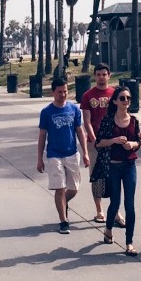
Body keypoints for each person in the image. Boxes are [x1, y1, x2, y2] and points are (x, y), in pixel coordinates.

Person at [37, 79, 89, 234]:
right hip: (54, 154)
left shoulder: (74, 109)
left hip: (72, 153)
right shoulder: (46, 112)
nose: (62, 94)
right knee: (60, 188)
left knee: (73, 189)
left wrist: (85, 153)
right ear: (53, 92)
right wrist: (39, 158)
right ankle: (63, 221)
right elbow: (42, 135)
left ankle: (63, 202)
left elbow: (80, 131)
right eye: (59, 92)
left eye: (65, 91)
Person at [96, 85, 141, 256]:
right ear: (115, 101)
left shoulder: (134, 121)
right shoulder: (108, 120)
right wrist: (114, 140)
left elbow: (138, 141)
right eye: (122, 98)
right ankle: (108, 229)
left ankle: (129, 242)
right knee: (115, 202)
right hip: (113, 166)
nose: (126, 101)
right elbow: (99, 143)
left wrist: (133, 144)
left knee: (130, 205)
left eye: (128, 98)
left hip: (130, 166)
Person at [79, 63, 122, 225]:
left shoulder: (115, 94)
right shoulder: (88, 96)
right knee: (96, 176)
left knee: (115, 177)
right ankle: (99, 210)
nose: (101, 77)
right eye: (98, 74)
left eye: (104, 74)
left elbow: (122, 116)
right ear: (94, 76)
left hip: (114, 142)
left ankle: (116, 212)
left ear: (109, 75)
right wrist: (95, 139)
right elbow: (87, 121)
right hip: (95, 143)